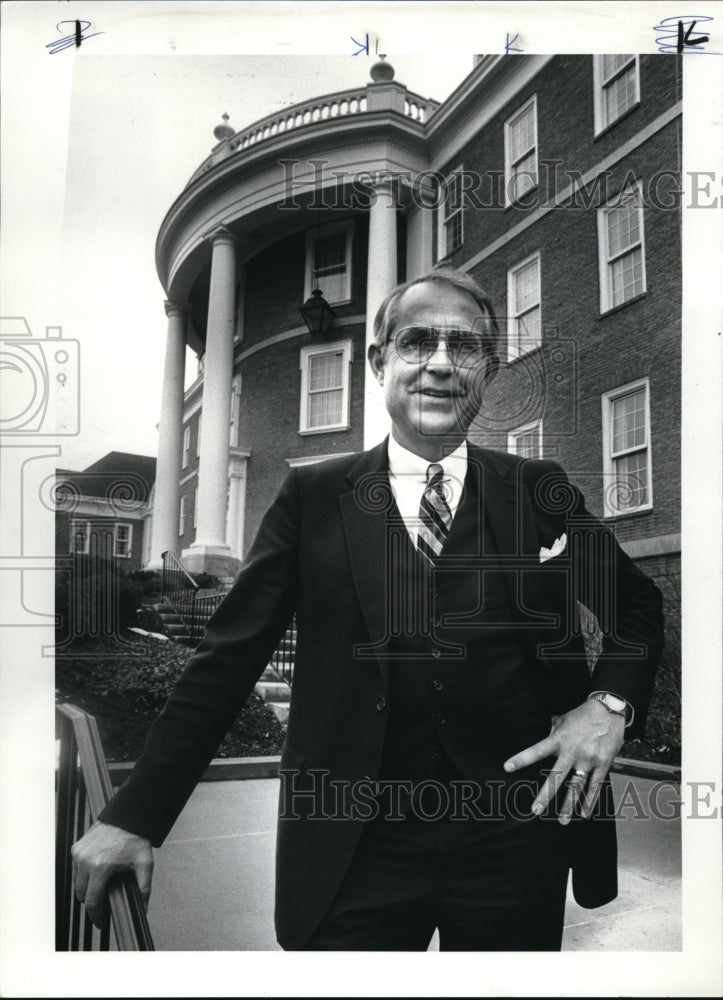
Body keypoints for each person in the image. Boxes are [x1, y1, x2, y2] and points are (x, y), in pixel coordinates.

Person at [72, 268, 664, 951]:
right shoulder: (312, 497)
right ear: (379, 361)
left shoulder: (536, 489)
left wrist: (608, 706)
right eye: (417, 343)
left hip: (515, 834)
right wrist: (134, 815)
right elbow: (225, 663)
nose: (439, 364)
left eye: (463, 346)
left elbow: (635, 607)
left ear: (487, 369)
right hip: (353, 845)